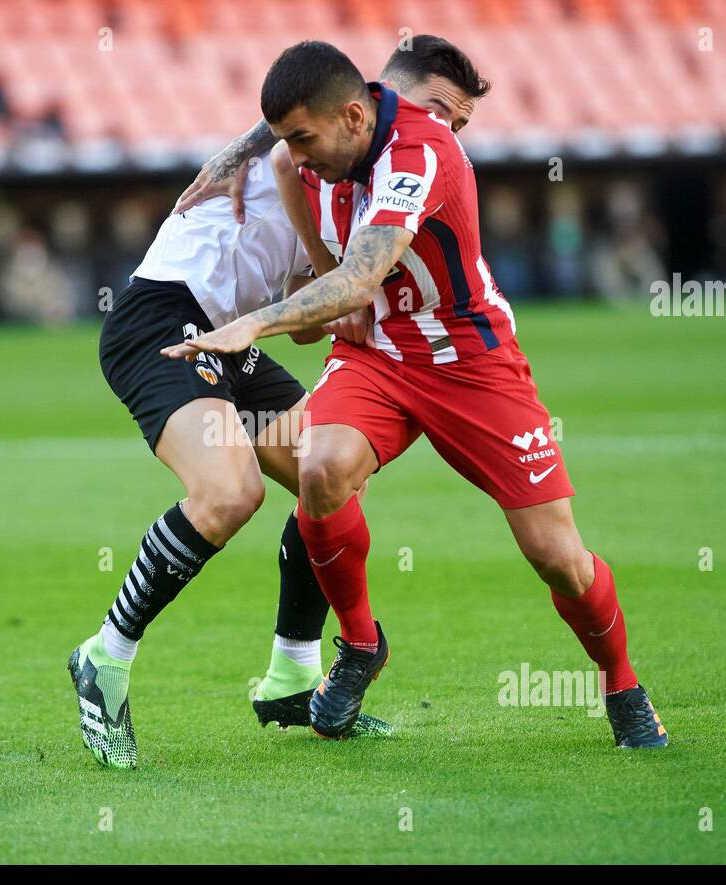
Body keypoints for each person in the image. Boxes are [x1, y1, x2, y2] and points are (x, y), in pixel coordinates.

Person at [164, 39, 668, 749]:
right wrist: (242, 163)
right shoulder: (300, 156)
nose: (298, 153)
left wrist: (253, 324)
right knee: (320, 468)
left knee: (557, 555)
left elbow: (356, 281)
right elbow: (330, 276)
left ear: (354, 118)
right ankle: (361, 645)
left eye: (306, 139)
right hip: (379, 356)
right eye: (291, 139)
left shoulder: (421, 154)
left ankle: (622, 683)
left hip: (472, 360)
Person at [68, 43, 490, 769]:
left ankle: (292, 677)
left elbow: (309, 318)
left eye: (461, 123)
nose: (448, 132)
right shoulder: (314, 137)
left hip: (229, 335)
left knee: (327, 475)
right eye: (443, 112)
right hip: (165, 320)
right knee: (230, 491)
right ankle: (102, 659)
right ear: (378, 94)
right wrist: (246, 152)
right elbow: (278, 138)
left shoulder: (385, 174)